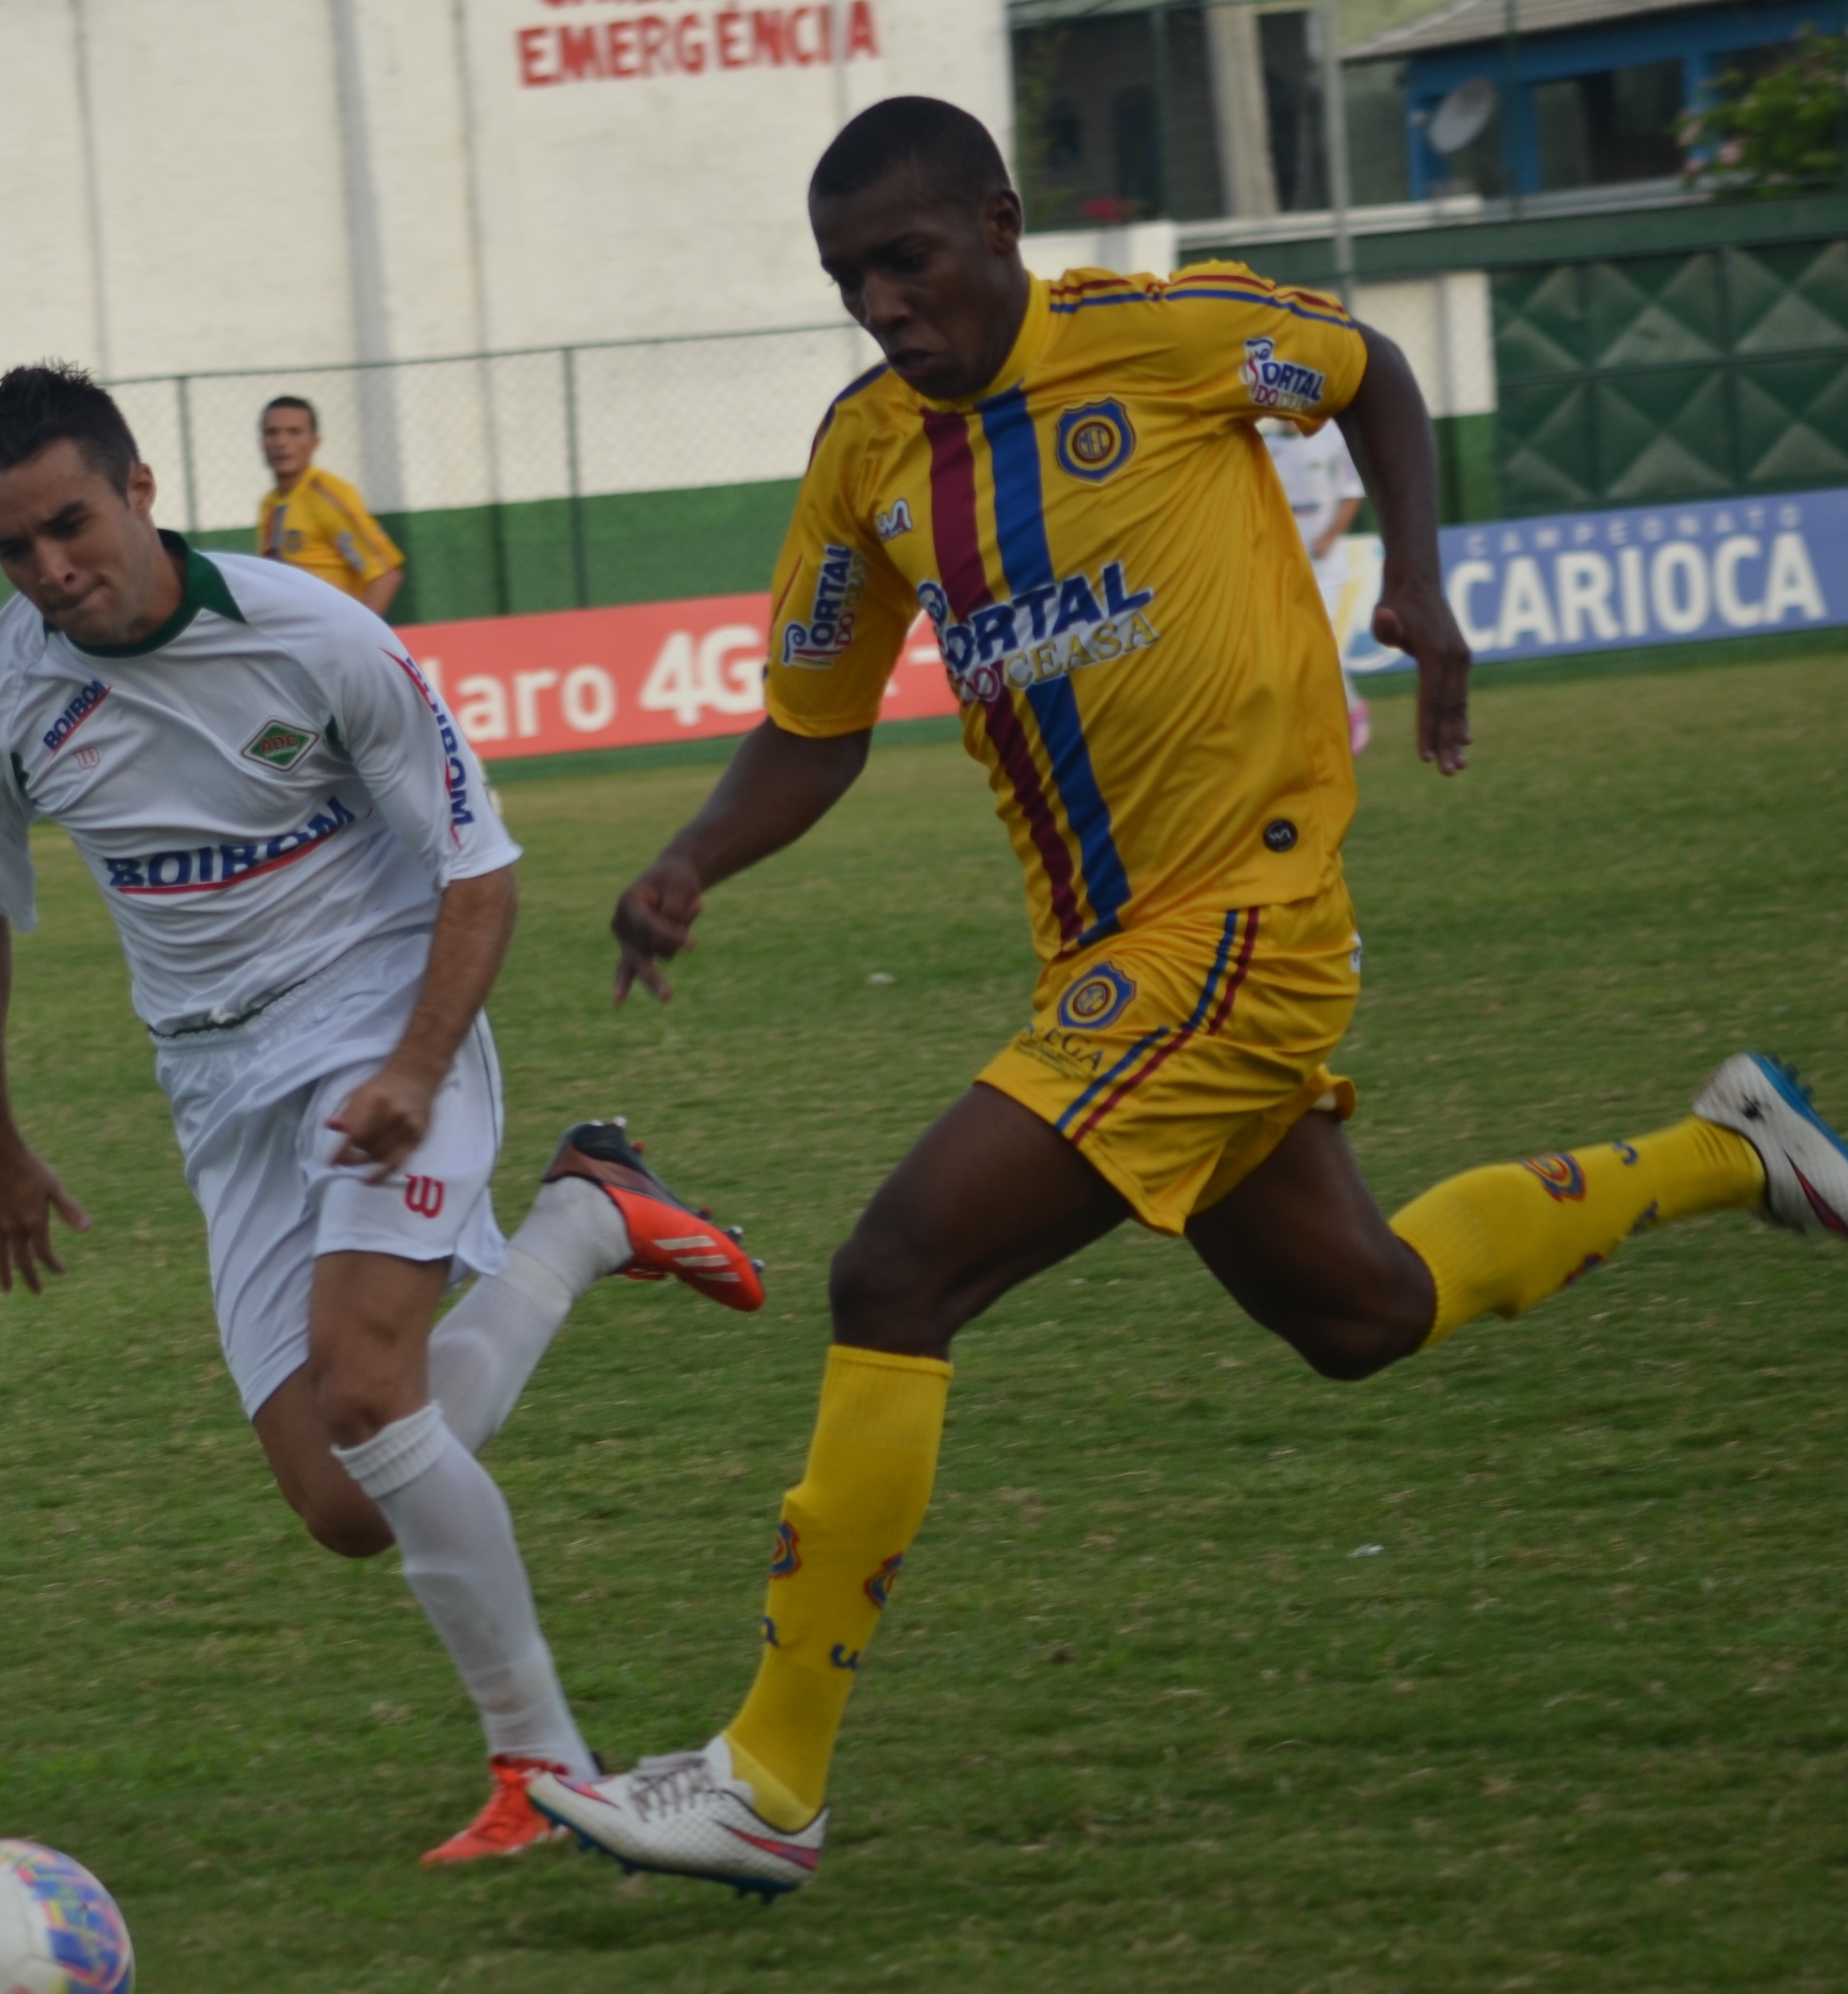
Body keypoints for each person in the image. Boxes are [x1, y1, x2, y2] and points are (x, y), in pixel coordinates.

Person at [528, 97, 1846, 1896]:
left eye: (905, 260)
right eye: (846, 279)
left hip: (1240, 925)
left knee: (893, 1272)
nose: (879, 304)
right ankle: (1727, 1150)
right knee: (1360, 1312)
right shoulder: (864, 458)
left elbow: (1368, 370)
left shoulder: (1160, 338)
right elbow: (810, 726)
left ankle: (768, 1776)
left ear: (997, 224)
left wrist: (1414, 584)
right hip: (1109, 959)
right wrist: (690, 859)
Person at [0, 365, 767, 1863]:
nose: (48, 569)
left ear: (138, 490)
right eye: (11, 547)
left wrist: (417, 1067)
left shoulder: (316, 636)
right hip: (217, 1089)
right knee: (344, 1500)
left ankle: (542, 1769)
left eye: (69, 525)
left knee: (371, 1391)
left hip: (382, 1015)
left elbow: (477, 869)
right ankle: (584, 1219)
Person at [1262, 414, 1374, 753]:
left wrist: (1329, 536)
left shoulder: (1330, 440)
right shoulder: (1266, 446)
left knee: (1319, 640)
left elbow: (1351, 495)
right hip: (1284, 562)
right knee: (1288, 646)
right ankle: (1311, 722)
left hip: (1325, 563)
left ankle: (1353, 712)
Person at [254, 397, 405, 617]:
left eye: (294, 432)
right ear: (262, 441)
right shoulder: (269, 504)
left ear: (315, 442)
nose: (281, 442)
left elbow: (385, 575)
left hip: (330, 631)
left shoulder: (326, 496)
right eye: (272, 433)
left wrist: (356, 632)